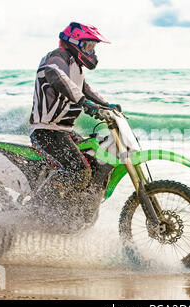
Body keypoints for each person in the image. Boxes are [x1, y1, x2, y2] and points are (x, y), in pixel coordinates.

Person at [29, 22, 121, 190]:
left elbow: (85, 90)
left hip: (64, 131)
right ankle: (38, 210)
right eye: (88, 46)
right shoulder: (57, 57)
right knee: (79, 170)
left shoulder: (75, 67)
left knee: (95, 161)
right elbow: (56, 76)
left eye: (93, 47)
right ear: (74, 43)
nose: (91, 52)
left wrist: (108, 106)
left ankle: (76, 211)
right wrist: (84, 103)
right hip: (46, 131)